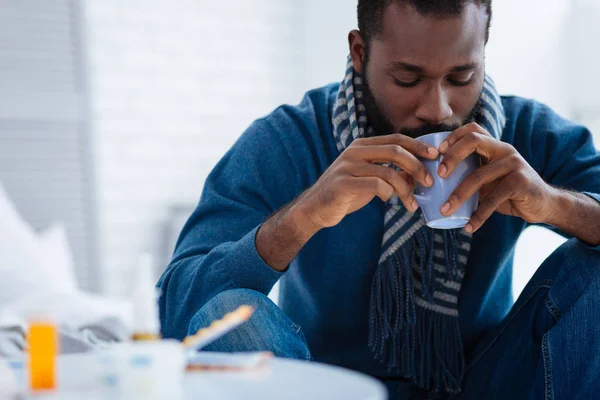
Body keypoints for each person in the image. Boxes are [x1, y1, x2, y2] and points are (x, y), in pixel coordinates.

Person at [157, 1, 600, 398]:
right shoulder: (288, 140)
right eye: (408, 78)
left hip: (485, 382)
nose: (438, 108)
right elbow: (172, 312)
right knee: (230, 315)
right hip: (327, 388)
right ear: (360, 52)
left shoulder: (525, 134)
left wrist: (555, 205)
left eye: (461, 77)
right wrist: (301, 218)